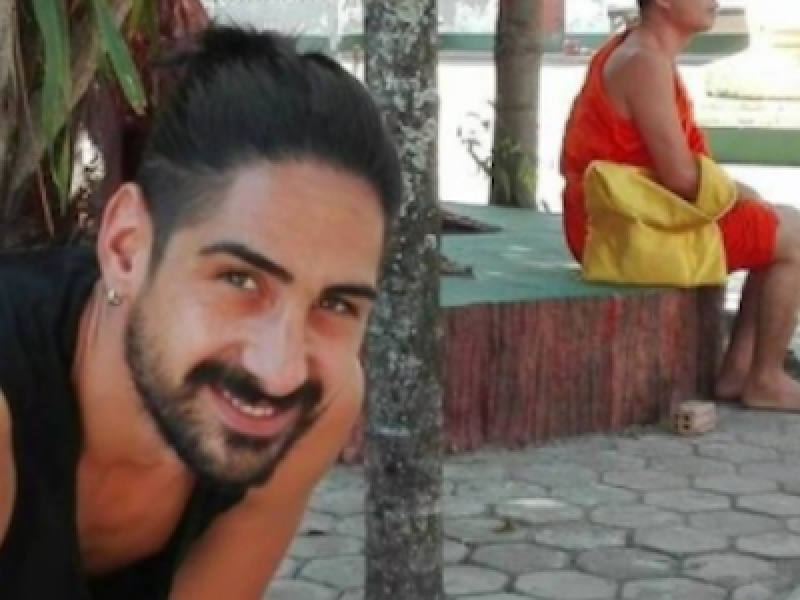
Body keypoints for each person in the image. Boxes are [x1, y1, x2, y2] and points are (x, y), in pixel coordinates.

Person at [0, 24, 402, 600]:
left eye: (335, 303)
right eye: (240, 279)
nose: (281, 371)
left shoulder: (318, 402)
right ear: (126, 247)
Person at [560, 0, 800, 411]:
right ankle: (766, 379)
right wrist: (742, 194)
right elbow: (682, 178)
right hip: (623, 234)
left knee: (781, 223)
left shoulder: (643, 51)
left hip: (628, 221)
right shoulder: (644, 62)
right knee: (795, 237)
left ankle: (740, 371)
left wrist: (745, 200)